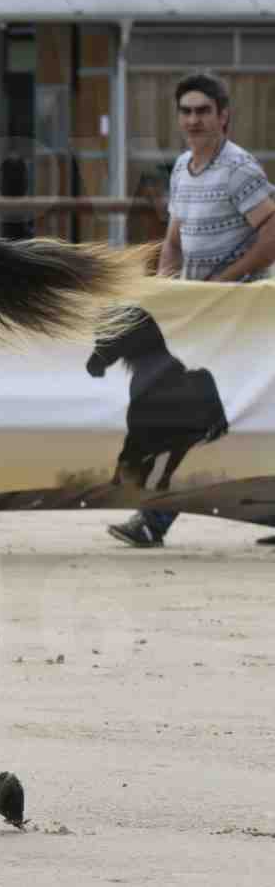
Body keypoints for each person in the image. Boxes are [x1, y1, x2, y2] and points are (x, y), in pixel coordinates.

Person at [108, 71, 275, 548]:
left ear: (224, 116)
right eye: (187, 111)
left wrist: (220, 286)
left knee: (190, 415)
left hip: (241, 314)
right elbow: (174, 240)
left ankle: (155, 519)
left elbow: (271, 235)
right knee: (244, 417)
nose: (195, 119)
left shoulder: (239, 169)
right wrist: (167, 287)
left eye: (204, 111)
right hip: (202, 314)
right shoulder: (183, 167)